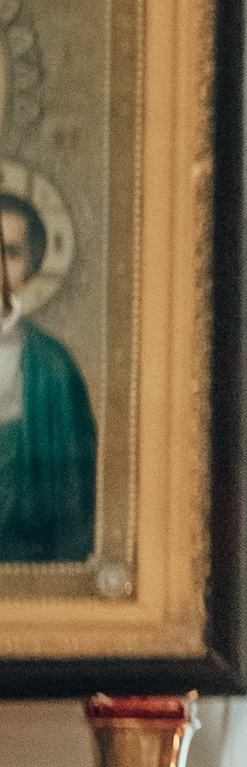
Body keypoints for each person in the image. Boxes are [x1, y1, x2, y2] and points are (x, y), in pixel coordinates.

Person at [0, 188, 95, 562]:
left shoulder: (53, 366)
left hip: (28, 559)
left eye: (10, 251)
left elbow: (75, 496)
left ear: (33, 265)